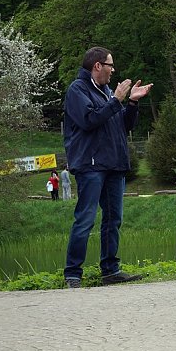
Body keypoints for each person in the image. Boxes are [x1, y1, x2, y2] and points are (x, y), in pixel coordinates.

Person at [63, 46, 152, 288]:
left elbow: (122, 126)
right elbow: (89, 120)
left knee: (113, 219)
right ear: (97, 66)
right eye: (111, 65)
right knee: (85, 219)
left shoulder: (105, 92)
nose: (113, 71)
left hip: (113, 165)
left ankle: (110, 270)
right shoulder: (77, 90)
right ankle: (73, 273)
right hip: (90, 166)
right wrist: (116, 100)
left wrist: (131, 103)